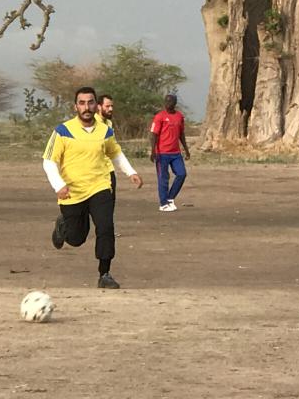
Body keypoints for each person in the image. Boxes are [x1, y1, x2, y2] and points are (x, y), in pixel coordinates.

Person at [44, 87, 143, 288]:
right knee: (77, 238)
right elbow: (49, 161)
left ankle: (104, 274)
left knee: (106, 227)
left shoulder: (105, 130)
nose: (86, 107)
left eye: (90, 102)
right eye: (82, 103)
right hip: (72, 192)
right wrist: (59, 185)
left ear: (96, 105)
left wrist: (130, 172)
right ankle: (63, 225)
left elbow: (115, 152)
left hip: (100, 186)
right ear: (75, 106)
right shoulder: (63, 131)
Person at [150, 93, 190, 212]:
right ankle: (163, 203)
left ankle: (170, 197)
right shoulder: (159, 117)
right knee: (163, 178)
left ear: (175, 103)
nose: (168, 104)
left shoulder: (179, 116)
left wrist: (186, 149)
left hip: (175, 152)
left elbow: (181, 134)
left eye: (171, 101)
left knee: (182, 174)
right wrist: (153, 151)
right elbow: (153, 135)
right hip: (162, 152)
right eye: (166, 101)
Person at [96, 93, 117, 193]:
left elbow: (113, 148)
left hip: (108, 169)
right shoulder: (92, 122)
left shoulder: (109, 123)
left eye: (112, 106)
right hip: (95, 171)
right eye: (107, 106)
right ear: (99, 107)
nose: (111, 109)